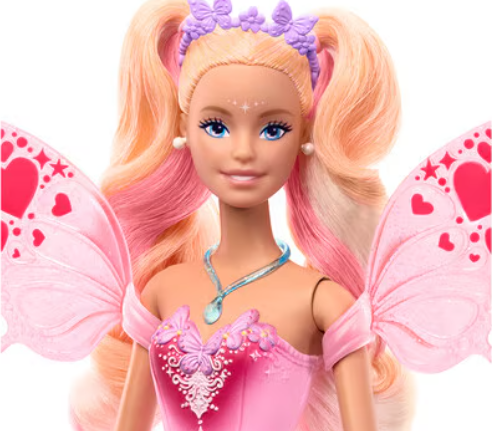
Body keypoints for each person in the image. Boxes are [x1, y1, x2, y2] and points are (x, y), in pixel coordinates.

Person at [1, 1, 490, 430]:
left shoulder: (323, 302)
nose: (242, 151)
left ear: (304, 137)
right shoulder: (160, 292)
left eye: (272, 129)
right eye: (216, 125)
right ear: (183, 129)